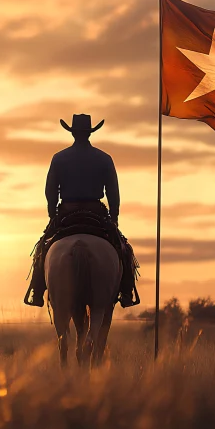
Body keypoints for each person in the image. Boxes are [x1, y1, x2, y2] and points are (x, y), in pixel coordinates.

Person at [24, 114, 137, 308]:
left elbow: (50, 191)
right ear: (90, 133)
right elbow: (113, 192)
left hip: (67, 212)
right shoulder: (104, 158)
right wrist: (115, 217)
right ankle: (126, 292)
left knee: (42, 249)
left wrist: (53, 215)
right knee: (124, 249)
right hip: (96, 212)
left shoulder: (59, 158)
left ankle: (37, 290)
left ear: (73, 133)